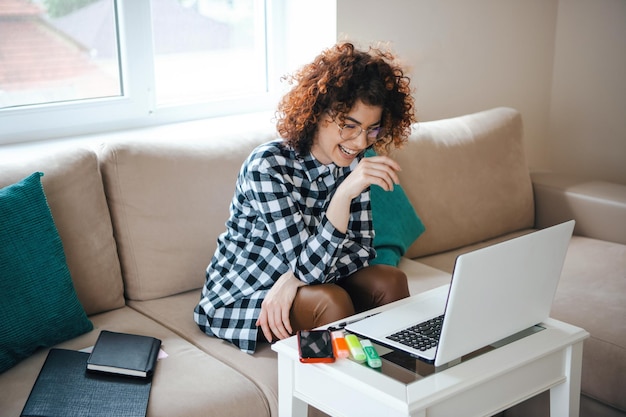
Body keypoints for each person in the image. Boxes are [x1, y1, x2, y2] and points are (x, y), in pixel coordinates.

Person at [194, 42, 416, 354]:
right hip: (246, 294)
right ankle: (338, 393)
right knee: (330, 300)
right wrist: (342, 196)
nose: (360, 141)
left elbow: (360, 253)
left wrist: (293, 279)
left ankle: (401, 386)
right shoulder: (268, 167)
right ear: (318, 112)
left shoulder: (354, 160)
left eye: (371, 130)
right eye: (349, 126)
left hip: (301, 285)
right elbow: (312, 271)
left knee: (390, 280)